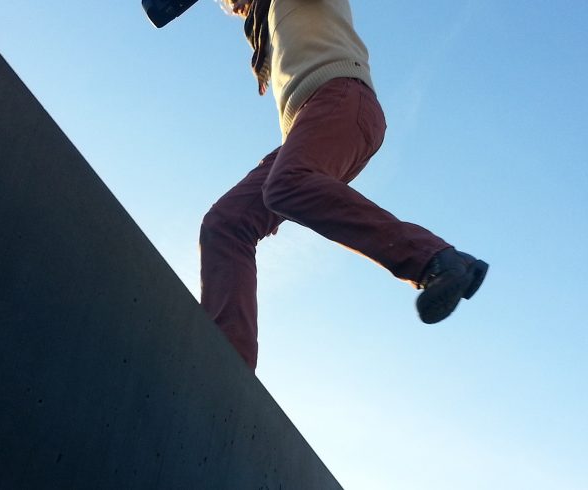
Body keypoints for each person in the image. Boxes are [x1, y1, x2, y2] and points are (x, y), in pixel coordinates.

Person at [200, 0, 488, 370]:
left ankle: (434, 260)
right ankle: (224, 367)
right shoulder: (269, 15)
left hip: (343, 99)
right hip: (313, 124)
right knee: (226, 222)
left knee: (286, 185)